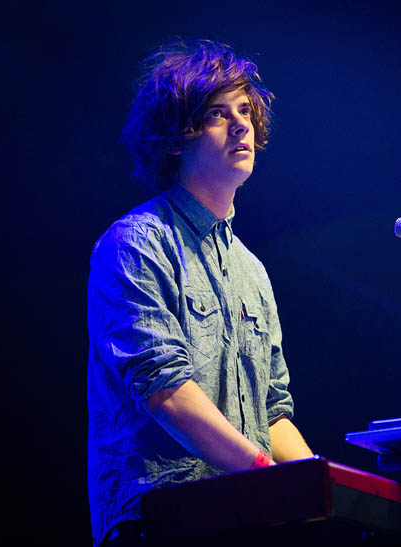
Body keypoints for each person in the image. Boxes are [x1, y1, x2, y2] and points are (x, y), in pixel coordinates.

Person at [87, 40, 313, 546]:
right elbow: (164, 390)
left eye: (245, 111)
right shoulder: (135, 243)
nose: (241, 126)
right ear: (174, 138)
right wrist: (266, 473)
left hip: (247, 517)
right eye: (217, 114)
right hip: (160, 521)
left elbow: (273, 411)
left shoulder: (252, 271)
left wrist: (324, 484)